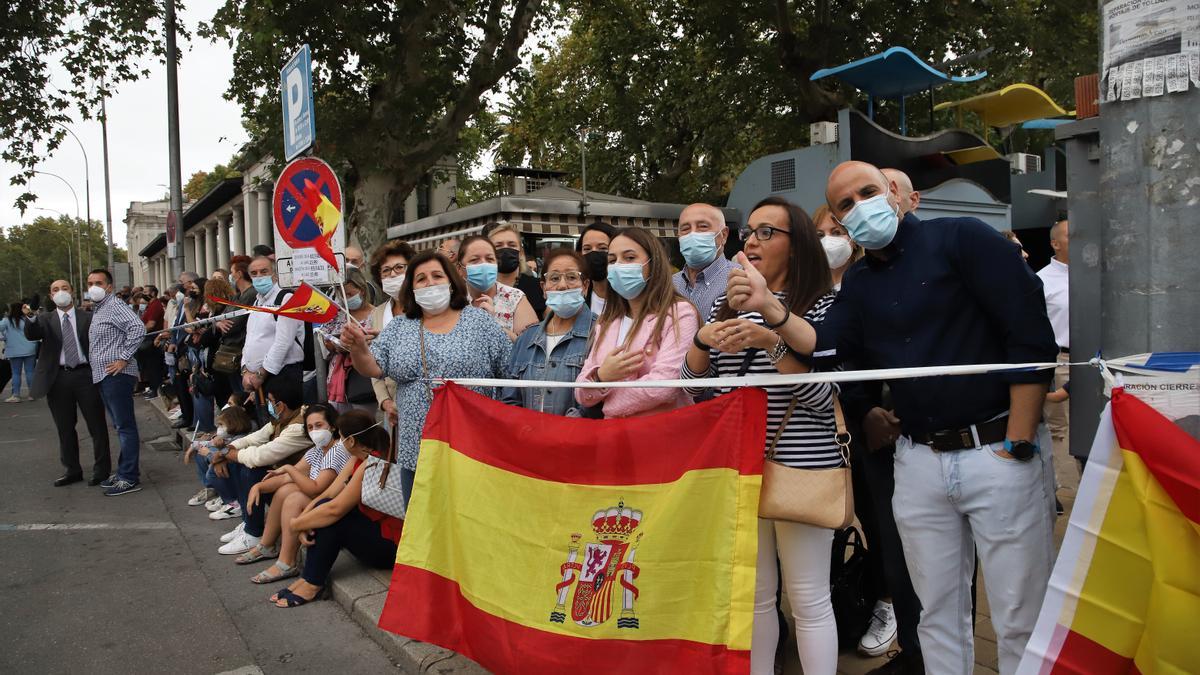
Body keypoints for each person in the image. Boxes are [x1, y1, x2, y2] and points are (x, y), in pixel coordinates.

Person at [740, 161, 1057, 675]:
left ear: (894, 192)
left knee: (1020, 616)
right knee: (935, 615)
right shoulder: (860, 281)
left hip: (997, 450)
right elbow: (824, 346)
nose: (858, 207)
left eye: (866, 192)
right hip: (919, 463)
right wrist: (770, 310)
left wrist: (1018, 441)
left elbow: (1028, 331)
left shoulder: (963, 237)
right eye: (845, 205)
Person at [682, 196, 839, 675]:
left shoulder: (825, 304)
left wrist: (771, 341)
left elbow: (824, 399)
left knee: (809, 597)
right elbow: (693, 391)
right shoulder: (724, 305)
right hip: (741, 466)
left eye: (767, 232)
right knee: (754, 597)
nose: (752, 241)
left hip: (801, 463)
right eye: (750, 230)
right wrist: (701, 342)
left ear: (798, 246)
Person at [342, 250, 512, 507]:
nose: (430, 283)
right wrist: (357, 348)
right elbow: (373, 367)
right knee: (424, 527)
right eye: (421, 278)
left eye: (437, 276)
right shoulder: (399, 327)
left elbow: (507, 371)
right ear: (411, 287)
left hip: (474, 447)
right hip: (416, 451)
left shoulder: (479, 321)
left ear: (452, 282)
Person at [817, 201, 911, 663]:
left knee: (880, 520)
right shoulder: (804, 290)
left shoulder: (867, 282)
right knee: (832, 520)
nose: (829, 238)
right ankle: (840, 602)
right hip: (817, 425)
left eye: (836, 229)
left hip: (865, 419)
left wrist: (876, 407)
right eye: (820, 231)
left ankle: (888, 603)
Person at [269, 410, 400, 608]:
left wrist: (296, 524)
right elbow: (327, 495)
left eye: (341, 437)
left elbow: (336, 509)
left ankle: (312, 582)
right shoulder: (356, 459)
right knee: (322, 510)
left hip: (391, 546)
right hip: (374, 531)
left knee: (335, 519)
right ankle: (309, 578)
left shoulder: (371, 464)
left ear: (351, 442)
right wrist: (306, 518)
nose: (339, 442)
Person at [574, 227, 700, 418]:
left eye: (630, 258)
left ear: (653, 263)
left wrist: (608, 404)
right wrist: (601, 376)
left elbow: (664, 386)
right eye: (612, 260)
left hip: (659, 436)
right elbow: (581, 392)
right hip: (614, 437)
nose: (619, 265)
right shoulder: (606, 322)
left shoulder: (679, 314)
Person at [239, 404, 350, 584]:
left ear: (333, 426)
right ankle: (267, 545)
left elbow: (316, 488)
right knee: (286, 489)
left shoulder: (337, 450)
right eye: (310, 427)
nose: (314, 431)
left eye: (319, 425)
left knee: (295, 497)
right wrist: (258, 487)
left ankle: (287, 562)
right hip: (320, 502)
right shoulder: (317, 451)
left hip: (334, 507)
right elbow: (284, 479)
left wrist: (290, 469)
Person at [208, 373, 312, 554]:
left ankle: (254, 532)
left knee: (252, 470)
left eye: (271, 401)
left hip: (297, 480)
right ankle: (248, 522)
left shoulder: (299, 427)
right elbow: (256, 437)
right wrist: (230, 448)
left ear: (280, 405)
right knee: (239, 463)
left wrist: (225, 452)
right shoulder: (283, 418)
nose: (269, 405)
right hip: (283, 474)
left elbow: (260, 456)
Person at [24, 279, 112, 486]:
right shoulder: (44, 319)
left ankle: (102, 470)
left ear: (72, 291)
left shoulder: (88, 317)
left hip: (86, 376)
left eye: (64, 288)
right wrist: (30, 315)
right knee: (65, 427)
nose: (60, 292)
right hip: (58, 378)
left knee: (96, 425)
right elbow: (32, 335)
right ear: (51, 294)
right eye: (55, 289)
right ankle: (72, 469)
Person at [501, 249, 597, 415]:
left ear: (585, 286)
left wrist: (560, 431)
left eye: (572, 277)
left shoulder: (601, 333)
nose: (562, 285)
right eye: (554, 278)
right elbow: (510, 399)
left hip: (578, 437)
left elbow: (600, 401)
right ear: (544, 288)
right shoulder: (526, 339)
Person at [85, 268, 149, 496]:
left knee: (125, 426)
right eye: (90, 282)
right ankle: (124, 472)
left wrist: (123, 358)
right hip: (105, 375)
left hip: (116, 375)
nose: (93, 286)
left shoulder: (114, 306)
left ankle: (129, 477)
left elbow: (137, 328)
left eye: (99, 282)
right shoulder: (101, 308)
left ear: (109, 286)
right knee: (120, 426)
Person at [240, 256, 304, 418]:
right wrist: (245, 371)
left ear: (274, 275)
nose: (259, 276)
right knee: (266, 428)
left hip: (282, 375)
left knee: (282, 426)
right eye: (254, 273)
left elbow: (284, 342)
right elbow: (250, 340)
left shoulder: (285, 298)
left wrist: (261, 374)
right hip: (258, 380)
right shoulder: (257, 303)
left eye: (264, 271)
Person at [367, 240, 415, 429]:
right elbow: (373, 364)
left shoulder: (425, 309)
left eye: (399, 268)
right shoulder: (377, 314)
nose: (392, 274)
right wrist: (385, 401)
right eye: (386, 271)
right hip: (391, 408)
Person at [457, 235, 538, 339]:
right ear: (460, 268)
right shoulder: (453, 300)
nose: (484, 264)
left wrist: (493, 324)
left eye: (490, 259)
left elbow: (528, 346)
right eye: (475, 260)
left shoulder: (515, 297)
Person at [323, 266, 377, 414]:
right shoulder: (337, 314)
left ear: (362, 290)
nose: (346, 298)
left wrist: (358, 344)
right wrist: (335, 344)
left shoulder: (376, 314)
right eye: (342, 294)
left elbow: (379, 342)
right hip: (337, 379)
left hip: (363, 379)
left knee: (363, 422)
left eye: (350, 293)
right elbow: (326, 339)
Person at [1038, 220, 1070, 461]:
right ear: (1055, 243)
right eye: (1072, 235)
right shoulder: (1042, 281)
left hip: (1097, 360)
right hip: (1061, 361)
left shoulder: (1096, 276)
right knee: (1061, 430)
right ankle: (1069, 491)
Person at [185, 402, 255, 509]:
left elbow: (224, 455)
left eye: (221, 425)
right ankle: (214, 490)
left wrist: (209, 454)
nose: (219, 428)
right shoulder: (228, 436)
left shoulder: (240, 439)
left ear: (233, 423)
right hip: (228, 463)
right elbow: (208, 445)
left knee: (212, 471)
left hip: (236, 469)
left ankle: (232, 502)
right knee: (200, 453)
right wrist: (192, 447)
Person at [671, 203, 735, 319]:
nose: (693, 234)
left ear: (724, 235)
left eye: (703, 227)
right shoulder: (669, 285)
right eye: (685, 229)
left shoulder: (740, 279)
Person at [489, 221, 546, 318]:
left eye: (512, 245)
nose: (506, 249)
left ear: (521, 253)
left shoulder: (539, 287)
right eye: (498, 246)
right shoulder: (482, 289)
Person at [576, 221, 616, 316]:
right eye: (587, 249)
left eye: (602, 248)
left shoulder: (630, 299)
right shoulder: (577, 299)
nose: (594, 253)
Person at [3, 301, 38, 401]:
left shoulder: (7, 321)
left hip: (14, 351)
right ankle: (32, 394)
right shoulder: (27, 319)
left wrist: (5, 336)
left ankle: (16, 395)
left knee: (16, 373)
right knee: (30, 371)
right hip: (30, 348)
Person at [137, 285, 166, 400]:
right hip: (149, 339)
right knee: (150, 367)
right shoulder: (150, 306)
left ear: (153, 293)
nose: (143, 294)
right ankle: (153, 388)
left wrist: (137, 332)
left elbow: (151, 324)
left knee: (154, 367)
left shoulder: (155, 306)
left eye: (145, 292)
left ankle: (156, 389)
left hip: (152, 339)